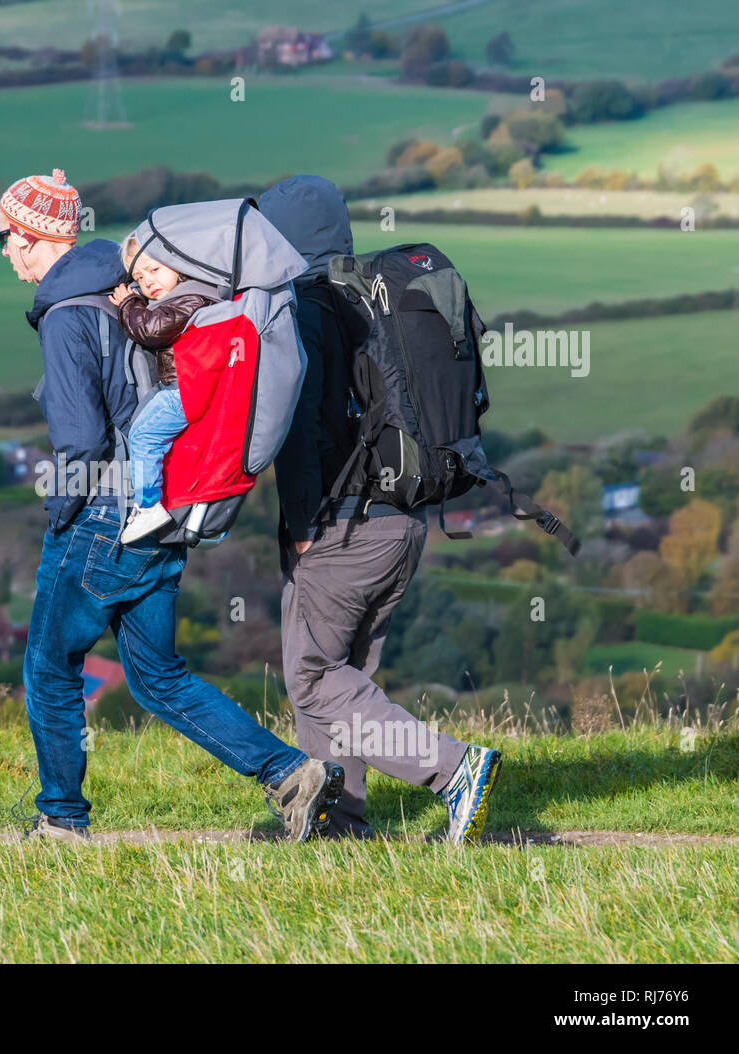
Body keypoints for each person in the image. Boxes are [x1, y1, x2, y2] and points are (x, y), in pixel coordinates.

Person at [0, 168, 343, 842]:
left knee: (48, 666)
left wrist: (60, 516)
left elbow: (81, 439)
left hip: (102, 515)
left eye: (7, 237)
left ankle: (61, 819)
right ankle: (291, 773)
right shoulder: (121, 291)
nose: (5, 251)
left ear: (35, 238)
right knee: (156, 677)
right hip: (166, 510)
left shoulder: (68, 316)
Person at [259, 174, 502, 845]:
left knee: (312, 678)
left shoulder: (306, 308)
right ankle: (337, 823)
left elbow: (304, 429)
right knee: (341, 677)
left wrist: (304, 527)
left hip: (343, 522)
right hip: (405, 517)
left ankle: (453, 770)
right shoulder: (365, 296)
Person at [107, 235, 219, 544]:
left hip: (187, 386)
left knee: (144, 436)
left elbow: (152, 329)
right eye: (139, 278)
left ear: (178, 264)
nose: (147, 281)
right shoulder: (187, 297)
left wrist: (129, 303)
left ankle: (148, 506)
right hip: (187, 385)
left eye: (154, 269)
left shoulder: (193, 296)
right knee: (148, 436)